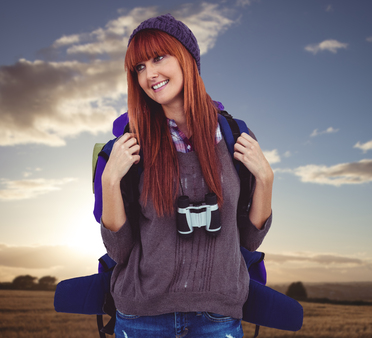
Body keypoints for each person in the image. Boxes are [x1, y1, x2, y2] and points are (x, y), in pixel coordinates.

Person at [100, 13, 273, 338]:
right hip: (142, 317)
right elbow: (119, 252)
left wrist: (266, 180)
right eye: (139, 67)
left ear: (187, 58)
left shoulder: (235, 136)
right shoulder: (131, 145)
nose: (149, 74)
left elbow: (248, 240)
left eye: (158, 57)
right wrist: (110, 181)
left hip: (218, 318)